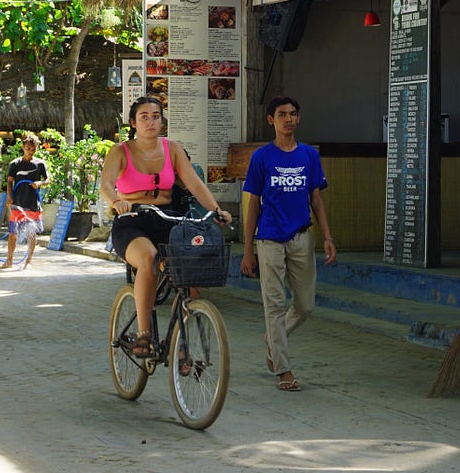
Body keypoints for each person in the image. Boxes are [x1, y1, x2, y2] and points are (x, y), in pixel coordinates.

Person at [99, 96, 230, 359]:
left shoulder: (172, 149)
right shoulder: (120, 151)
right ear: (134, 123)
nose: (150, 121)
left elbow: (194, 183)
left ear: (162, 120)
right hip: (132, 222)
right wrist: (116, 201)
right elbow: (106, 183)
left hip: (168, 219)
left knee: (190, 282)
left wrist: (216, 210)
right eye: (144, 117)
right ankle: (144, 334)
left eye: (156, 116)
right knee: (148, 258)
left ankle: (181, 346)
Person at [240, 96, 338, 392]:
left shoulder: (309, 155)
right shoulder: (261, 158)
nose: (289, 119)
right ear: (271, 120)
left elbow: (316, 199)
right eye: (282, 115)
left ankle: (273, 338)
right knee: (274, 304)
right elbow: (252, 205)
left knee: (305, 305)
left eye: (293, 114)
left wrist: (328, 237)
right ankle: (283, 369)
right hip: (269, 239)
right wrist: (247, 250)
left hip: (301, 238)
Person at [0, 133, 48, 270]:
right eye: (28, 148)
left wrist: (39, 183)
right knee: (12, 233)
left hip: (33, 203)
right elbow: (9, 182)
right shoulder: (14, 164)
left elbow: (47, 179)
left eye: (33, 149)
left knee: (31, 233)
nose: (30, 151)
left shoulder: (40, 164)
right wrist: (9, 197)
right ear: (23, 147)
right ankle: (9, 260)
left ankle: (28, 261)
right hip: (17, 202)